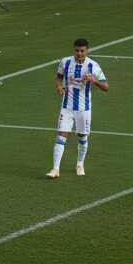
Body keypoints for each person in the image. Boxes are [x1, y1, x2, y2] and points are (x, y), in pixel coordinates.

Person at [48, 38, 108, 179]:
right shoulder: (65, 62)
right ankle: (55, 169)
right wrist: (59, 87)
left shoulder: (93, 66)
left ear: (87, 50)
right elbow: (59, 77)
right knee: (61, 136)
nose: (79, 53)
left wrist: (94, 80)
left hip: (83, 108)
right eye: (77, 50)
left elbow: (106, 87)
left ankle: (80, 163)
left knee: (82, 137)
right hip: (67, 106)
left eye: (82, 51)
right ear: (73, 50)